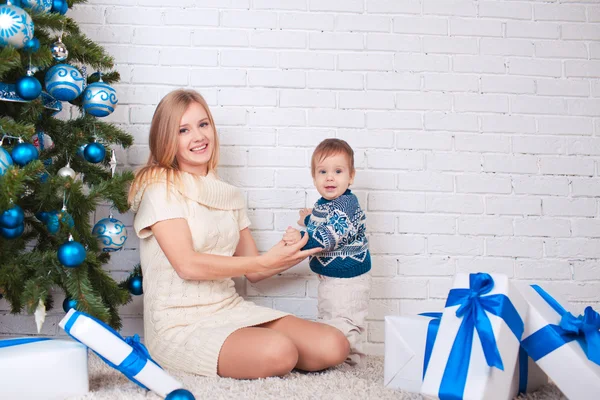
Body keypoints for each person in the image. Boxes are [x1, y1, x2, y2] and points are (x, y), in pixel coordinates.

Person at [128, 89, 349, 380]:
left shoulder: (228, 194)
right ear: (167, 138)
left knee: (334, 345)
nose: (198, 136)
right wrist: (260, 263)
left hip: (227, 309)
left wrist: (290, 248)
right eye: (184, 129)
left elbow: (254, 269)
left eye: (203, 124)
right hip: (179, 325)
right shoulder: (160, 188)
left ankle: (249, 349)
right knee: (280, 352)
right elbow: (187, 264)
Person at [282, 138, 372, 366]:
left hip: (349, 279)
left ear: (351, 176)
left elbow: (330, 234)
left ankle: (352, 364)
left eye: (338, 171)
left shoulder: (348, 206)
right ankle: (334, 356)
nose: (330, 177)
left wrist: (302, 239)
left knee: (346, 319)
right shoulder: (325, 203)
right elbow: (322, 220)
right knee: (330, 316)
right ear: (314, 177)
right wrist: (308, 218)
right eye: (323, 171)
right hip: (332, 278)